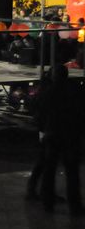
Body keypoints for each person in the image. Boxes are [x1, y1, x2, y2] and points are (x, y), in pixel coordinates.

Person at [33, 64, 83, 214]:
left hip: (52, 133)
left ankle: (47, 202)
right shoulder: (75, 90)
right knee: (72, 171)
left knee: (49, 169)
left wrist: (42, 128)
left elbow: (38, 111)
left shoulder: (48, 92)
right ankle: (74, 205)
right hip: (70, 134)